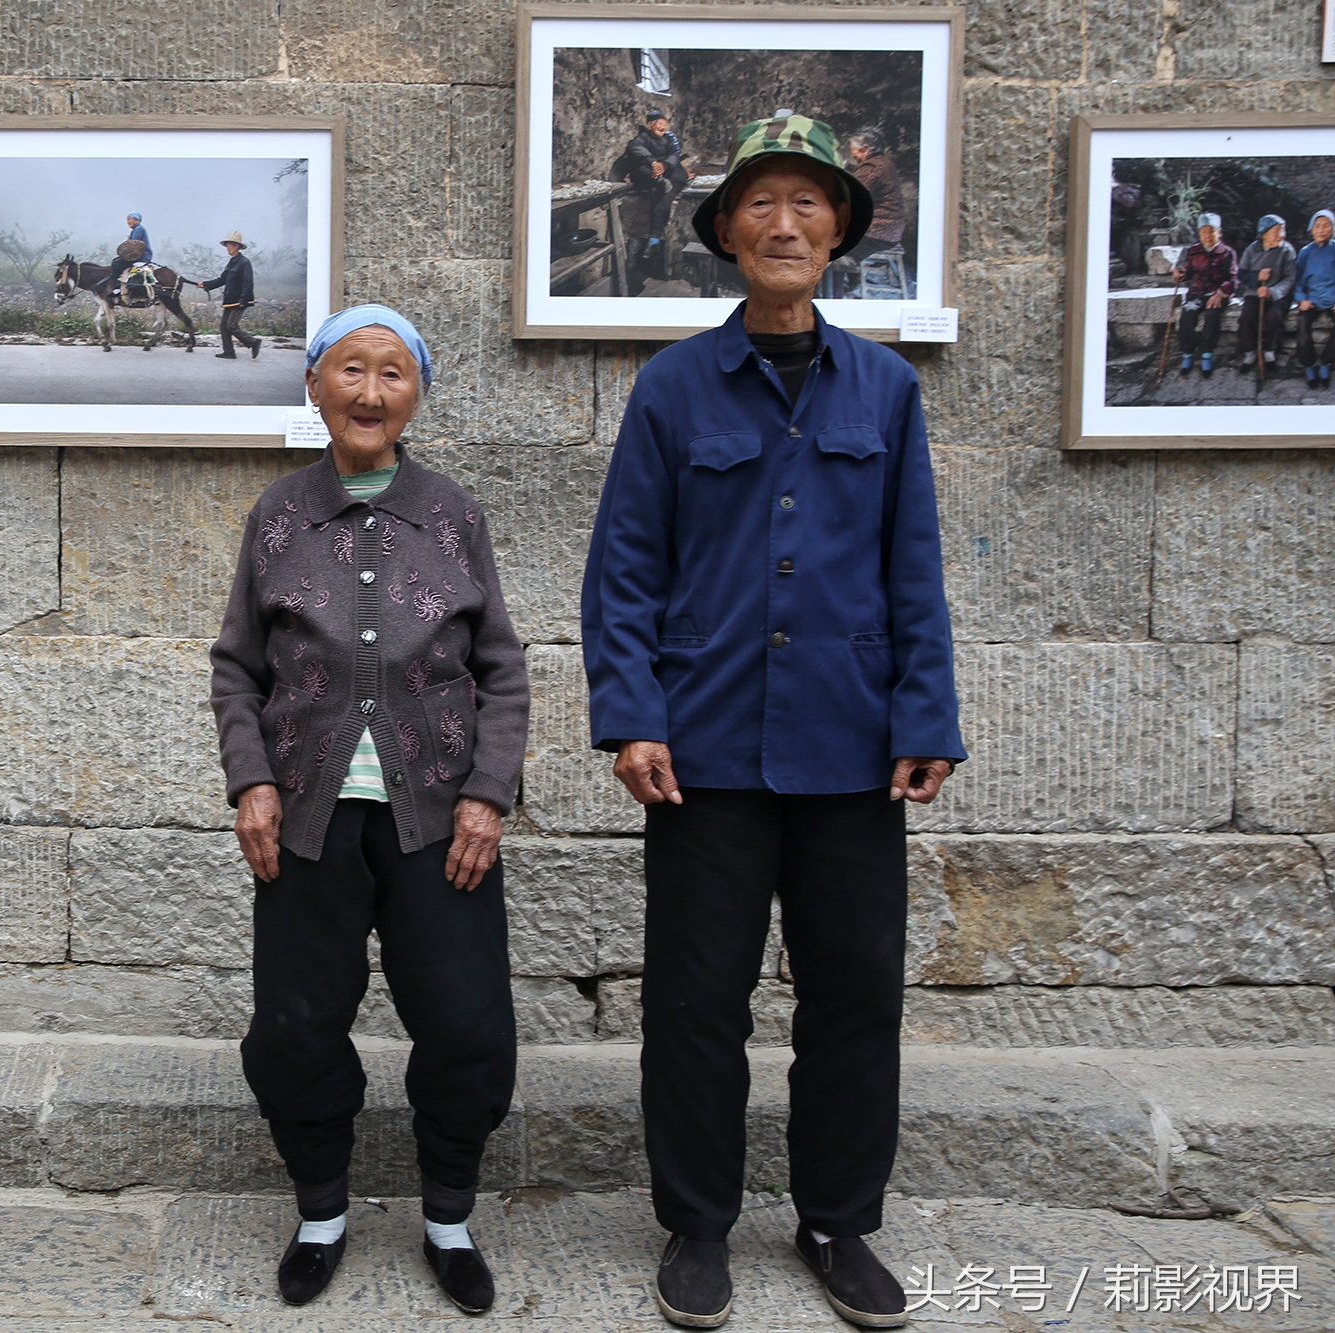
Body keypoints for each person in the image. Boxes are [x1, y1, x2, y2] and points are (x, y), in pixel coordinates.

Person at [581, 113, 964, 1331]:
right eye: (760, 204)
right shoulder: (673, 388)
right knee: (695, 1001)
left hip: (851, 746)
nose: (784, 222)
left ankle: (835, 1219)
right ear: (725, 232)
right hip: (702, 751)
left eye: (808, 203)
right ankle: (697, 1225)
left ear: (839, 230)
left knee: (854, 994)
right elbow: (624, 568)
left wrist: (927, 716)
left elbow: (915, 569)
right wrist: (629, 714)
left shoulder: (886, 390)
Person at [211, 304, 530, 1317]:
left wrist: (486, 793)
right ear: (313, 385)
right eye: (348, 369)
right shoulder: (275, 517)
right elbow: (235, 668)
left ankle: (446, 1217)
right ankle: (319, 1213)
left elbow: (502, 669)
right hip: (305, 820)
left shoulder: (451, 515)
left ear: (415, 393)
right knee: (294, 1030)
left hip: (439, 821)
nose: (367, 390)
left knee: (467, 1025)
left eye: (391, 372)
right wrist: (250, 780)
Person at [1171, 212, 1236, 378]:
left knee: (1212, 315)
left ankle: (1207, 354)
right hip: (1196, 292)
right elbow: (1189, 272)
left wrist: (1221, 293)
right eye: (1204, 232)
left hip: (1217, 293)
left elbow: (1235, 278)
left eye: (1211, 231)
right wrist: (1181, 274)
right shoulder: (1193, 251)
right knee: (1188, 314)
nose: (1207, 235)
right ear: (1199, 234)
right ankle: (1188, 354)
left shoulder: (1228, 252)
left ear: (1219, 232)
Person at [624, 110, 687, 271]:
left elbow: (675, 153)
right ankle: (653, 239)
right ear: (650, 125)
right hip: (652, 173)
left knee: (665, 193)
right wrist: (653, 163)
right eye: (660, 123)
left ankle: (654, 238)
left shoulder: (670, 137)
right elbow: (634, 147)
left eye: (665, 123)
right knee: (639, 168)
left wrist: (664, 166)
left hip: (668, 172)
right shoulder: (642, 139)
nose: (663, 126)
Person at [1236, 213, 1295, 373]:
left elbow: (1290, 278)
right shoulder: (1252, 249)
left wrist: (1273, 291)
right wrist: (1256, 278)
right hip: (1255, 293)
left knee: (1274, 316)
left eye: (1282, 230)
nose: (1280, 235)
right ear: (1263, 234)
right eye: (1276, 231)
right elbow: (1241, 274)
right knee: (1247, 316)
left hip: (1278, 294)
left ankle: (1269, 351)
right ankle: (1250, 352)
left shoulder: (1286, 250)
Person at [844, 128, 904, 268]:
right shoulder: (884, 163)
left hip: (878, 234)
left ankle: (836, 289)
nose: (853, 155)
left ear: (865, 149)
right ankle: (846, 283)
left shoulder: (873, 166)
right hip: (891, 231)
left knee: (835, 249)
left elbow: (853, 193)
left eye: (854, 151)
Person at [200, 230, 260, 360]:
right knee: (224, 327)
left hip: (240, 300)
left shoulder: (244, 262)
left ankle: (253, 342)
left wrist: (243, 300)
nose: (228, 247)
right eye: (227, 244)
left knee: (231, 326)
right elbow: (222, 279)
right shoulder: (232, 262)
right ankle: (229, 352)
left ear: (237, 246)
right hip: (230, 300)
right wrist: (206, 284)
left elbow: (248, 283)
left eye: (231, 244)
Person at [1294, 209, 1335, 387]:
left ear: (1332, 229)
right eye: (1317, 226)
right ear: (1312, 229)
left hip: (1332, 299)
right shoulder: (1305, 252)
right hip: (1311, 299)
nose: (1320, 230)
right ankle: (1309, 365)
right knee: (1302, 325)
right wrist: (1301, 299)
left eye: (1325, 226)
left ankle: (1326, 362)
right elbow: (1297, 281)